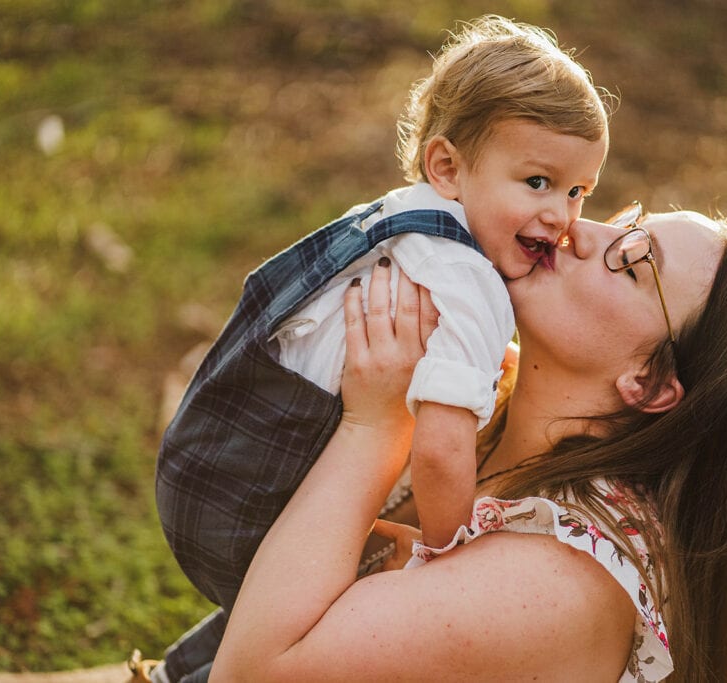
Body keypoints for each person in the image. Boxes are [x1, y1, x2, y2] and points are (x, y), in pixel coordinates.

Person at [151, 15, 612, 683]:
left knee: (287, 595)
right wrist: (449, 554)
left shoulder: (394, 218)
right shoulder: (472, 282)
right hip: (263, 484)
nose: (562, 217)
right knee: (352, 588)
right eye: (537, 182)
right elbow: (440, 446)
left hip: (205, 455)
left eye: (578, 191)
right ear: (447, 165)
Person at [199, 206, 727, 682]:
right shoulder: (485, 396)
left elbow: (246, 675)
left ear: (650, 383)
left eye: (632, 258)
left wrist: (375, 426)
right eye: (626, 218)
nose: (580, 228)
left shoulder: (558, 581)